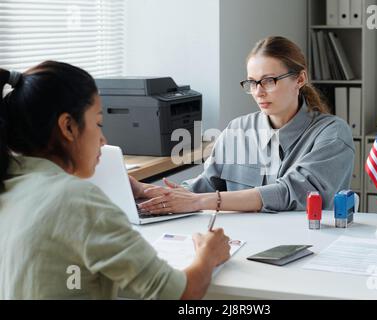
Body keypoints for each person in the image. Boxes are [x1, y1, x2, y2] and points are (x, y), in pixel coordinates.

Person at [0, 61, 230, 299]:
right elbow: (181, 293)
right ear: (68, 127)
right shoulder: (77, 200)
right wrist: (208, 254)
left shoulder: (10, 184)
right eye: (98, 123)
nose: (103, 139)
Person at [137, 36, 355, 215]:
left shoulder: (333, 134)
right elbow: (206, 186)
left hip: (305, 248)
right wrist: (147, 191)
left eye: (269, 81)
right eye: (252, 82)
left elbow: (289, 193)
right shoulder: (237, 129)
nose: (258, 92)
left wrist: (198, 202)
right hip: (241, 244)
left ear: (299, 79)